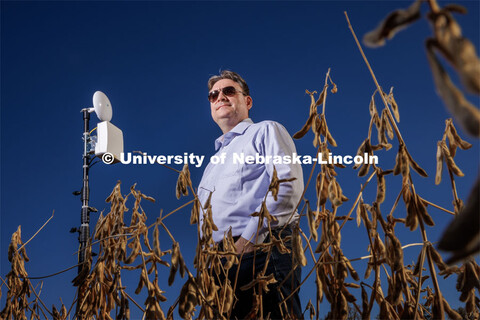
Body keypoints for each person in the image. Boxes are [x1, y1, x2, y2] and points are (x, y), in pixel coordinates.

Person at [197, 70, 304, 319]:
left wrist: (248, 240)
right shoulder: (213, 162)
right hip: (219, 263)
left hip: (262, 249)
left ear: (247, 101)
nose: (220, 97)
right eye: (213, 95)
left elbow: (287, 185)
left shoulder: (265, 131)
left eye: (229, 91)